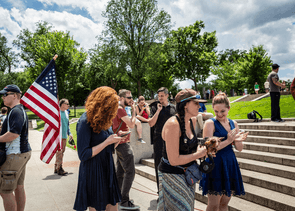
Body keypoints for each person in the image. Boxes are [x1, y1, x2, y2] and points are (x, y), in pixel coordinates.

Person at [157, 88, 209, 211]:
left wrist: (205, 151)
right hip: (172, 175)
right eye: (196, 103)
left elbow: (189, 148)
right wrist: (198, 154)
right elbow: (174, 160)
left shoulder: (192, 120)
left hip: (188, 175)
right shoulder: (173, 124)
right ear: (185, 105)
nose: (199, 106)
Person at [74, 86, 124, 211]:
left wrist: (115, 141)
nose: (112, 109)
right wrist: (107, 142)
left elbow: (108, 146)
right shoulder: (85, 121)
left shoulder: (104, 119)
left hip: (107, 167)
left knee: (113, 206)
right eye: (110, 104)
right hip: (93, 171)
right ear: (101, 102)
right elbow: (83, 154)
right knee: (97, 206)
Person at [199, 93, 249, 211]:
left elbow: (240, 148)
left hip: (230, 163)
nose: (219, 114)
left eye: (222, 111)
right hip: (215, 164)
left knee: (224, 204)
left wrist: (238, 140)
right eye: (216, 111)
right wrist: (229, 140)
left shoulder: (233, 123)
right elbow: (208, 149)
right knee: (214, 205)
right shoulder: (210, 123)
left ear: (229, 108)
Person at [0, 85, 31, 211]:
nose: (3, 97)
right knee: (19, 187)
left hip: (15, 154)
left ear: (15, 95)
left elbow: (14, 134)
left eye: (5, 94)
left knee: (5, 191)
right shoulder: (16, 110)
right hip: (21, 153)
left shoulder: (16, 111)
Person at [112, 89, 140, 210]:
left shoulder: (116, 109)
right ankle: (125, 200)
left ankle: (118, 197)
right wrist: (134, 110)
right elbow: (132, 124)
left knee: (120, 172)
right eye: (129, 98)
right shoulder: (119, 109)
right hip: (123, 144)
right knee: (130, 171)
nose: (131, 100)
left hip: (119, 143)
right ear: (121, 98)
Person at [149, 87, 176, 195]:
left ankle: (171, 190)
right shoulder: (155, 107)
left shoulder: (174, 108)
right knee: (159, 166)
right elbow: (151, 123)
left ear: (167, 95)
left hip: (172, 140)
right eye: (158, 96)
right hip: (159, 141)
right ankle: (160, 191)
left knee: (172, 164)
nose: (160, 98)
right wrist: (158, 110)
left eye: (162, 96)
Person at [54, 98, 73, 175]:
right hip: (58, 136)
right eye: (67, 103)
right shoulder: (57, 113)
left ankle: (56, 167)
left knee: (62, 152)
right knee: (60, 152)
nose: (68, 105)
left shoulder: (66, 112)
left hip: (64, 136)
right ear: (62, 104)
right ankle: (59, 168)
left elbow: (67, 124)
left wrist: (70, 133)